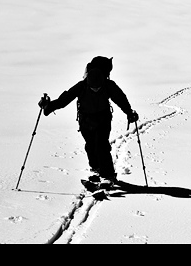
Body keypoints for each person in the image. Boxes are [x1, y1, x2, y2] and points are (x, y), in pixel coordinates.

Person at [38, 56, 138, 189]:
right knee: (91, 146)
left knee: (101, 145)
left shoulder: (105, 85)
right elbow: (64, 100)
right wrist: (48, 107)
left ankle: (108, 175)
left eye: (98, 88)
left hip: (102, 120)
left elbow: (120, 99)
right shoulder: (84, 86)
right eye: (93, 88)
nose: (95, 89)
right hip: (87, 122)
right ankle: (97, 170)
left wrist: (129, 112)